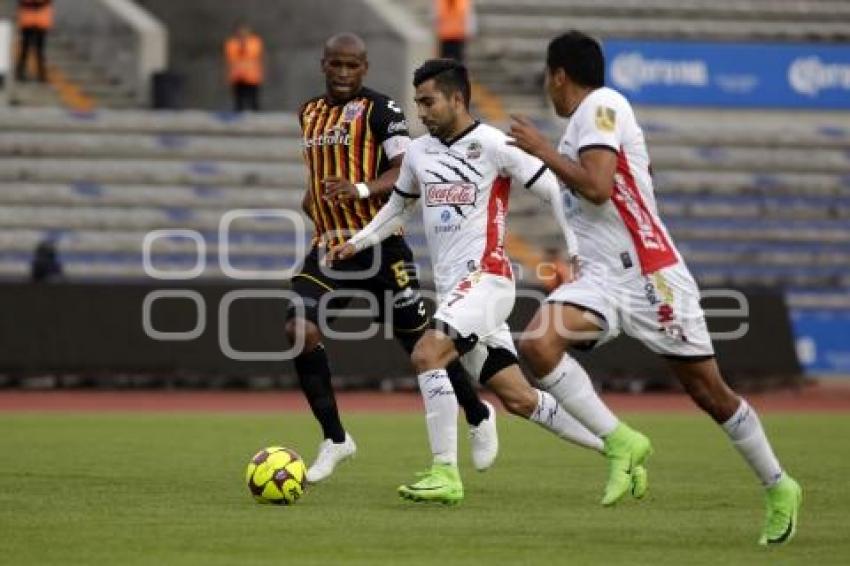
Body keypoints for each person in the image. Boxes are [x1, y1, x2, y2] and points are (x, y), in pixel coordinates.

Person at [508, 30, 802, 545]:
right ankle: (621, 441)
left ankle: (779, 486)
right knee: (537, 342)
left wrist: (540, 152)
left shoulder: (603, 104)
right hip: (603, 279)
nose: (547, 89)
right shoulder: (585, 123)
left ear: (559, 75)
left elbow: (597, 187)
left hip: (650, 276)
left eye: (547, 78)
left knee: (708, 393)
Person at [328, 58, 649, 506]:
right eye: (417, 101)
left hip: (487, 281)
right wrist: (357, 242)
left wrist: (577, 252)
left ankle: (445, 473)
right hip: (458, 292)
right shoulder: (419, 152)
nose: (420, 110)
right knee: (519, 399)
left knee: (427, 353)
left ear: (457, 98)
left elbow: (554, 191)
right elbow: (399, 209)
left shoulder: (493, 145)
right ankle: (618, 447)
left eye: (428, 101)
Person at [288, 34, 497, 484]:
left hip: (382, 249)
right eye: (336, 65)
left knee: (421, 345)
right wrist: (317, 205)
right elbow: (317, 175)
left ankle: (478, 413)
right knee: (298, 329)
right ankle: (335, 439)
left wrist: (359, 190)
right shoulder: (308, 112)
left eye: (352, 66)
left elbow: (405, 172)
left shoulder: (384, 111)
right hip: (332, 247)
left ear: (365, 68)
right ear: (323, 64)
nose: (343, 73)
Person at [224, 23, 263, 112]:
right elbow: (231, 55)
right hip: (237, 77)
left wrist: (244, 44)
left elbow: (254, 53)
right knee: (238, 102)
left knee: (253, 101)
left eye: (244, 29)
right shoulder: (231, 43)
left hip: (252, 77)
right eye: (240, 30)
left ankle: (256, 120)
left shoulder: (255, 42)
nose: (242, 32)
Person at [15, 0, 53, 83]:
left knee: (36, 49)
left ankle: (40, 74)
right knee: (28, 49)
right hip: (31, 19)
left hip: (37, 19)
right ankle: (38, 74)